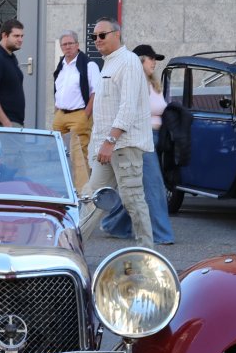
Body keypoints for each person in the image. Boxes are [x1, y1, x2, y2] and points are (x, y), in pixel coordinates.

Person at [83, 19, 154, 247]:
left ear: (117, 34)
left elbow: (127, 107)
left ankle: (147, 253)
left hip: (123, 145)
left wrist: (110, 140)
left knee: (133, 200)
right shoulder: (109, 63)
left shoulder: (128, 61)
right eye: (94, 36)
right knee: (92, 198)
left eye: (102, 35)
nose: (97, 40)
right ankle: (71, 247)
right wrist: (99, 146)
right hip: (108, 146)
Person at [99, 43, 176, 246]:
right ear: (140, 60)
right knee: (153, 186)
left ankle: (114, 225)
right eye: (152, 59)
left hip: (155, 139)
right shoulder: (133, 81)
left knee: (133, 189)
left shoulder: (154, 84)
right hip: (137, 139)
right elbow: (126, 110)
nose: (155, 63)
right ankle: (161, 234)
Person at [51, 30, 99, 190]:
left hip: (79, 114)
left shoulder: (89, 65)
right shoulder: (61, 65)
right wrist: (56, 110)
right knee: (59, 155)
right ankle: (65, 190)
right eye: (64, 44)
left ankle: (83, 194)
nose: (67, 47)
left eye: (70, 43)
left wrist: (86, 114)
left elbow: (96, 92)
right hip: (60, 115)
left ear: (77, 45)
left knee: (78, 156)